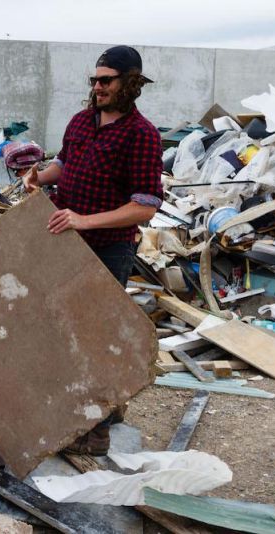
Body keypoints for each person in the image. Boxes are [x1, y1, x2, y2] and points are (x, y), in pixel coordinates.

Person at [23, 45, 163, 455]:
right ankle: (93, 410)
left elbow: (146, 205)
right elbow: (66, 165)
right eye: (94, 80)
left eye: (107, 80)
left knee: (96, 339)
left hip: (107, 250)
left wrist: (84, 219)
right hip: (65, 245)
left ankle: (96, 431)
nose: (97, 87)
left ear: (130, 83)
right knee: (63, 332)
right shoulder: (81, 122)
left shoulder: (142, 134)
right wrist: (39, 176)